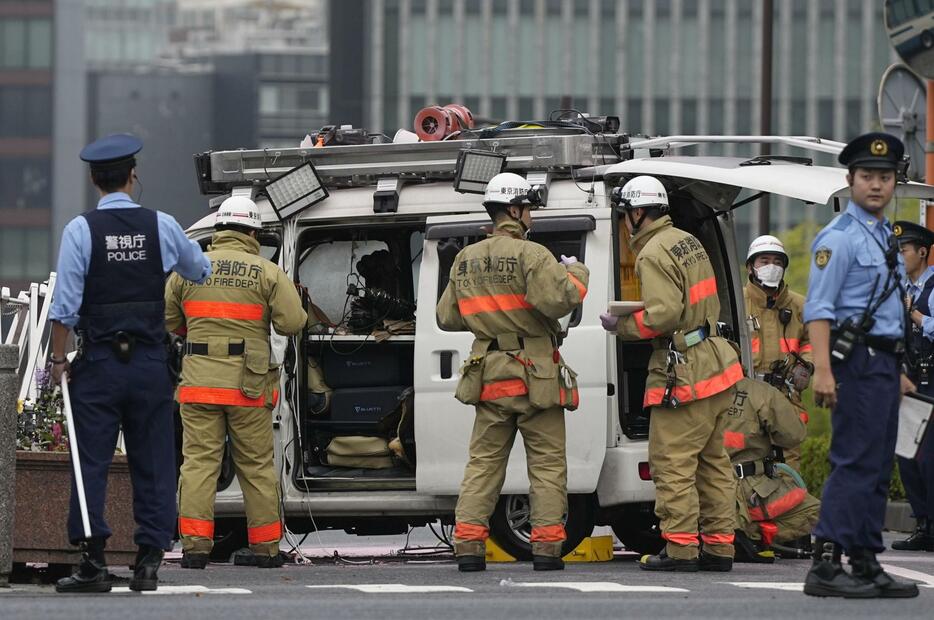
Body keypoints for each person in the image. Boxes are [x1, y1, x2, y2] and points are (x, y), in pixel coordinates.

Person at [49, 134, 211, 593]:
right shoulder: (161, 225)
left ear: (93, 180)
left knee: (91, 462)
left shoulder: (80, 230)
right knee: (155, 460)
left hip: (98, 365)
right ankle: (149, 562)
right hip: (148, 365)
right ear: (132, 176)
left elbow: (63, 309)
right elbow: (199, 270)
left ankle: (92, 561)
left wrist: (59, 361)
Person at [436, 172, 589, 572]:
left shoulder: (465, 259)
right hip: (534, 375)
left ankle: (468, 547)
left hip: (489, 376)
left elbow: (447, 317)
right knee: (547, 465)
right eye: (530, 210)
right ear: (516, 211)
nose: (532, 218)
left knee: (483, 464)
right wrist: (578, 273)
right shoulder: (533, 255)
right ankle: (546, 550)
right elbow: (562, 300)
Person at [600, 175, 742, 572]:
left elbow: (662, 315)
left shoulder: (652, 252)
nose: (627, 221)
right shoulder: (688, 240)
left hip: (686, 371)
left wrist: (621, 326)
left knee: (672, 462)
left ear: (639, 212)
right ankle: (718, 548)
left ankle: (680, 549)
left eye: (627, 213)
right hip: (715, 363)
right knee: (713, 463)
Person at [802, 132, 919, 598]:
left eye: (885, 177)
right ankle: (826, 563)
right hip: (854, 364)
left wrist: (898, 370)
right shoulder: (840, 239)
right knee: (853, 461)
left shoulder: (883, 236)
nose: (876, 185)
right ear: (849, 180)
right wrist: (824, 370)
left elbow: (887, 309)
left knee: (875, 462)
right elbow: (819, 309)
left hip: (883, 364)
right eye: (867, 177)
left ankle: (866, 560)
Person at [165, 195, 307, 569]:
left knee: (198, 464)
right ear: (252, 232)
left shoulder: (187, 270)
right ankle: (266, 550)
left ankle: (195, 548)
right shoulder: (267, 272)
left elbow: (168, 321)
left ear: (218, 229)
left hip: (198, 383)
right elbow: (292, 323)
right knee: (257, 466)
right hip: (248, 384)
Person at [723, 377, 820, 563]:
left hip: (705, 485)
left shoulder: (691, 389)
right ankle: (751, 534)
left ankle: (737, 532)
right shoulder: (760, 392)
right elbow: (794, 435)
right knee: (817, 513)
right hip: (751, 488)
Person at [892, 220, 934, 552]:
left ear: (922, 251)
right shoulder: (899, 288)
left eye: (903, 250)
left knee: (929, 457)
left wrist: (915, 315)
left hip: (932, 382)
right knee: (908, 455)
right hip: (908, 381)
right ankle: (923, 523)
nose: (899, 255)